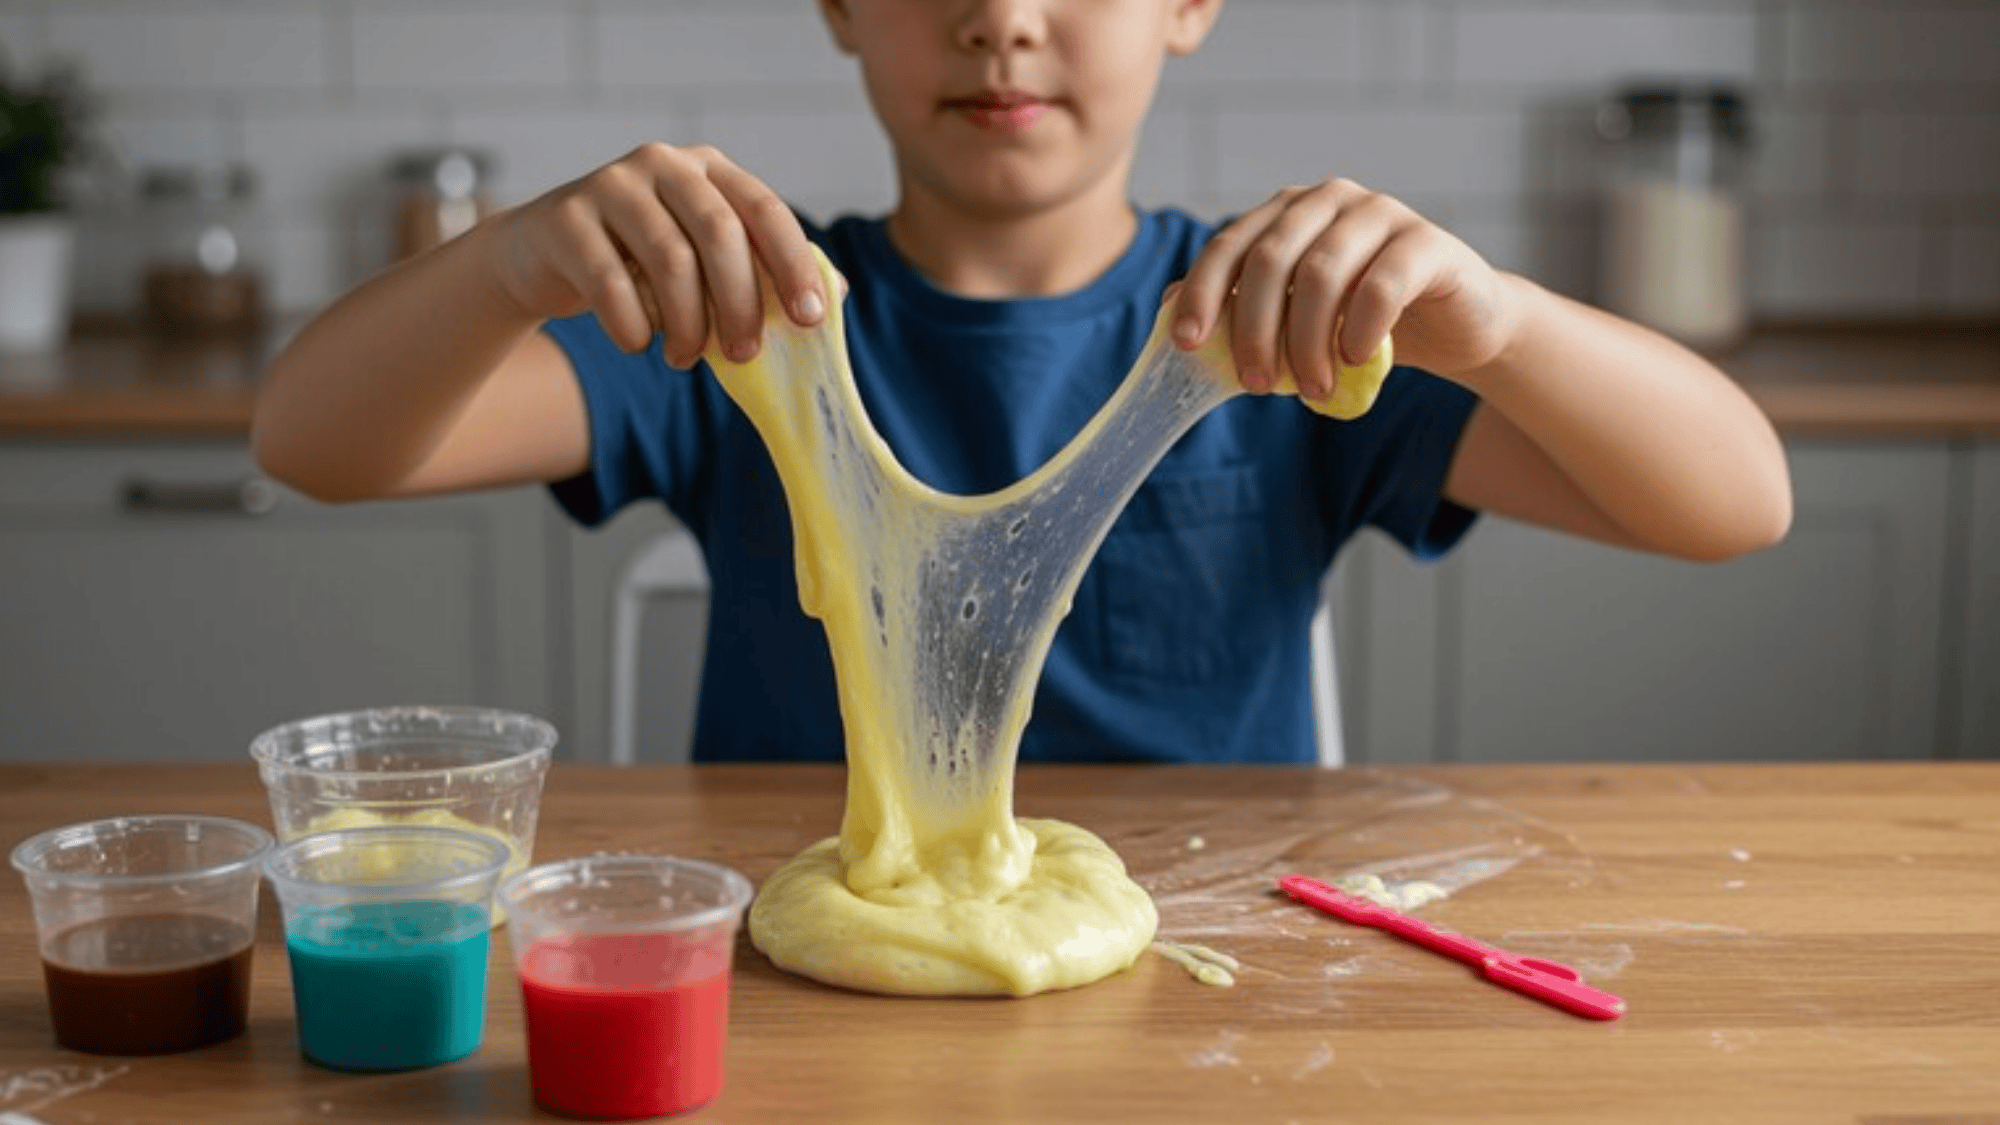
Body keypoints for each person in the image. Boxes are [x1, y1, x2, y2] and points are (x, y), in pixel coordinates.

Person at [251, 0, 1793, 766]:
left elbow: (1735, 504)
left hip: (1191, 972)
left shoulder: (1271, 332)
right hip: (816, 994)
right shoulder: (746, 323)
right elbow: (314, 443)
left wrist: (1500, 323)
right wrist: (507, 265)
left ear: (1188, 5)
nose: (1000, 17)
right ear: (840, 7)